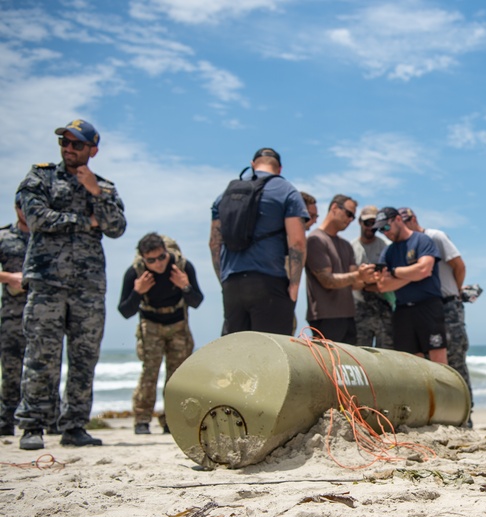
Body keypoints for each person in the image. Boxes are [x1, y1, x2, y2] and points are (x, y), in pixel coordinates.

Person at [15, 119, 127, 450]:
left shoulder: (104, 187)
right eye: (65, 143)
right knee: (41, 355)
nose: (68, 149)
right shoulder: (40, 176)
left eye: (76, 144)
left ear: (92, 150)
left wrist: (95, 192)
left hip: (88, 287)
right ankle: (33, 425)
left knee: (84, 358)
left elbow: (117, 226)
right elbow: (35, 217)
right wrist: (84, 221)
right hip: (47, 281)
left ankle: (75, 426)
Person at [209, 147, 308, 335]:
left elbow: (214, 243)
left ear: (253, 165)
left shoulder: (224, 195)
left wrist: (224, 280)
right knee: (272, 357)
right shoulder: (286, 191)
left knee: (236, 354)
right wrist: (294, 286)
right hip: (268, 283)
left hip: (232, 284)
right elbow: (298, 243)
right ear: (279, 169)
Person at [117, 233, 203, 435]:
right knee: (149, 373)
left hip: (178, 323)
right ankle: (142, 420)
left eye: (161, 257)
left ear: (166, 252)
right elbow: (125, 311)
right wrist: (137, 292)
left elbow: (197, 301)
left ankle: (171, 420)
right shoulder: (135, 273)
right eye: (151, 260)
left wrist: (186, 286)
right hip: (151, 324)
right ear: (143, 258)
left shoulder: (182, 266)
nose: (158, 264)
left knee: (177, 376)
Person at [399, 207, 474, 410]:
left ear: (414, 219)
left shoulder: (435, 236)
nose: (403, 227)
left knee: (456, 358)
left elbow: (459, 266)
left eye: (406, 221)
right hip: (425, 308)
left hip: (447, 304)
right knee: (426, 362)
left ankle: (466, 410)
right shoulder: (405, 245)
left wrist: (456, 292)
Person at [371, 207, 446, 363]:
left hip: (428, 307)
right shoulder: (388, 252)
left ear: (398, 219)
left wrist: (395, 272)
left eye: (386, 227)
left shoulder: (422, 240)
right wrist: (413, 274)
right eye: (380, 230)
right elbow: (383, 286)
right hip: (402, 310)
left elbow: (424, 269)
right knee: (412, 363)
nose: (385, 232)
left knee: (438, 362)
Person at [304, 195, 372, 344]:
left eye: (353, 217)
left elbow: (355, 283)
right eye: (348, 214)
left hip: (348, 317)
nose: (350, 220)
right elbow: (327, 281)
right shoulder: (316, 240)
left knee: (348, 367)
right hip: (325, 317)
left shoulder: (346, 245)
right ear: (334, 207)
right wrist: (358, 275)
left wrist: (370, 279)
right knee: (327, 366)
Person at [0, 194, 31, 436]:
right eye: (24, 206)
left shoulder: (47, 238)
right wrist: (9, 277)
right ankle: (6, 421)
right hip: (12, 314)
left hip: (44, 314)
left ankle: (48, 420)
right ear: (16, 208)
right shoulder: (4, 236)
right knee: (11, 370)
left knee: (45, 368)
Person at [352, 205, 395, 348]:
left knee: (387, 354)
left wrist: (368, 281)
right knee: (360, 354)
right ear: (359, 222)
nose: (370, 227)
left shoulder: (387, 247)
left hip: (384, 306)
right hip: (360, 308)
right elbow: (351, 282)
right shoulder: (351, 248)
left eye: (374, 224)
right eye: (367, 223)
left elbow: (391, 279)